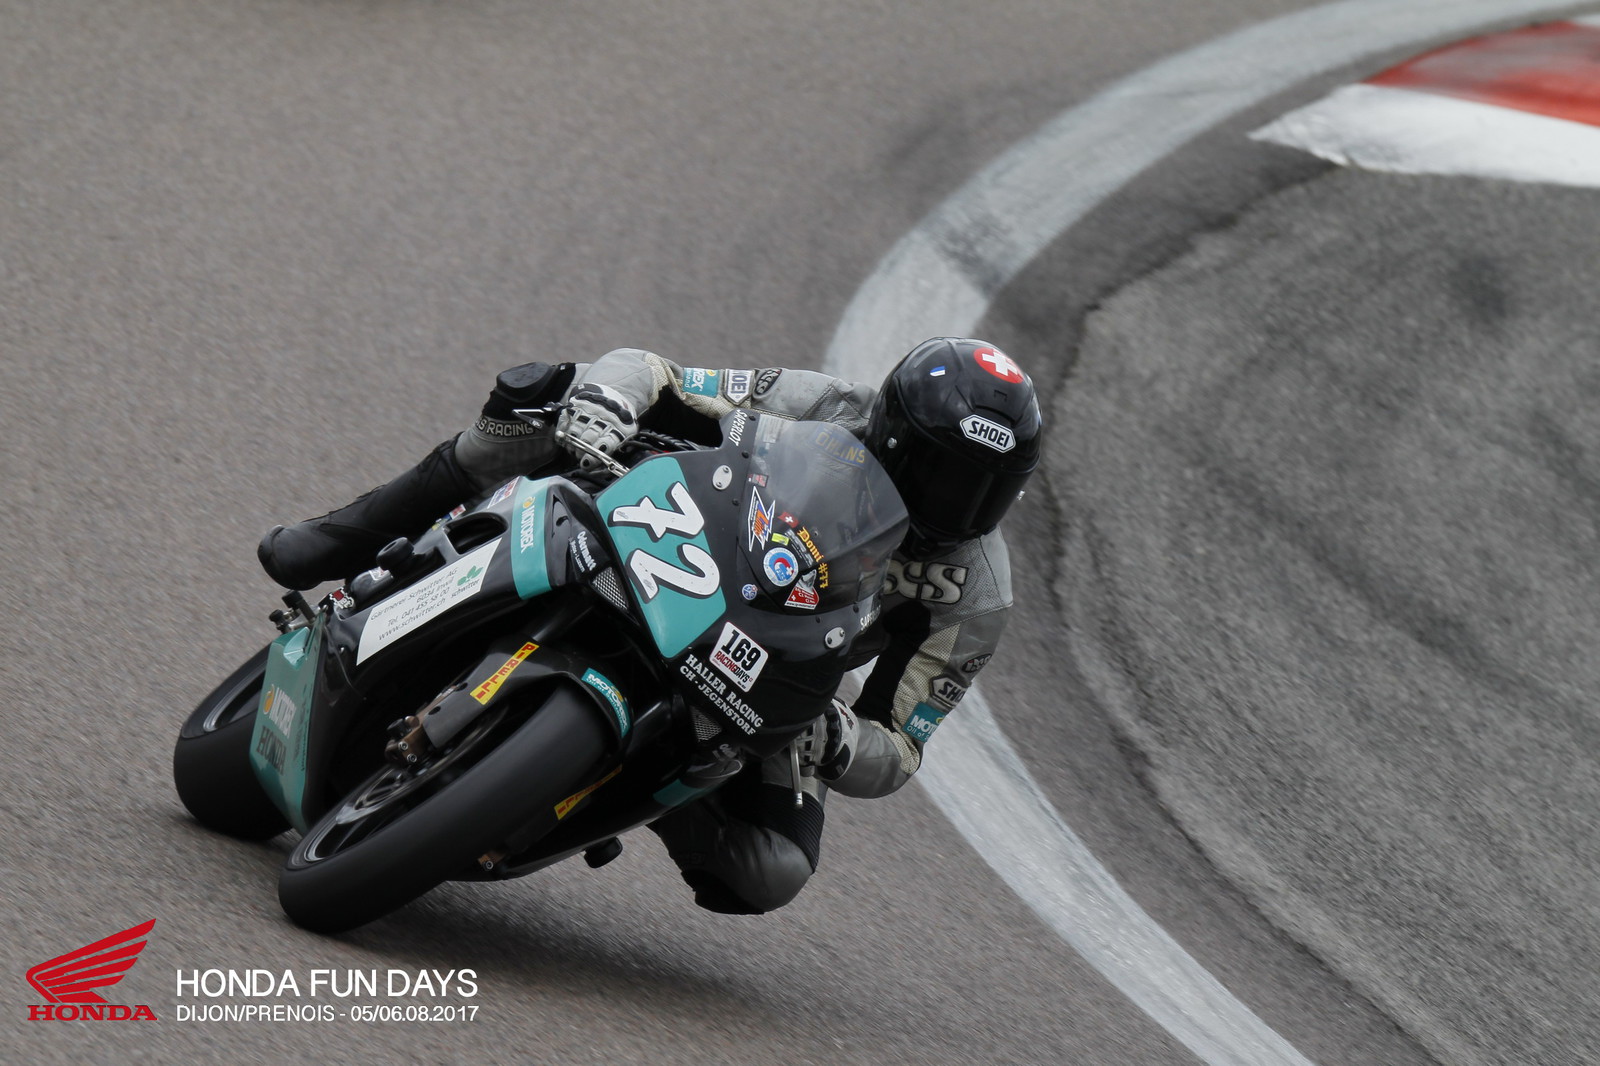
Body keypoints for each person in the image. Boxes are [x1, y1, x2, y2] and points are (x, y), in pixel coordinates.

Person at [258, 338, 1043, 914]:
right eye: (942, 475)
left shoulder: (975, 596)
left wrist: (837, 738)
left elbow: (900, 745)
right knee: (537, 401)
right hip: (681, 537)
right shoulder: (825, 405)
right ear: (893, 430)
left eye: (986, 491)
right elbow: (661, 374)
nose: (957, 508)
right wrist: (608, 406)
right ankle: (354, 539)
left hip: (772, 665)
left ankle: (639, 789)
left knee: (769, 867)